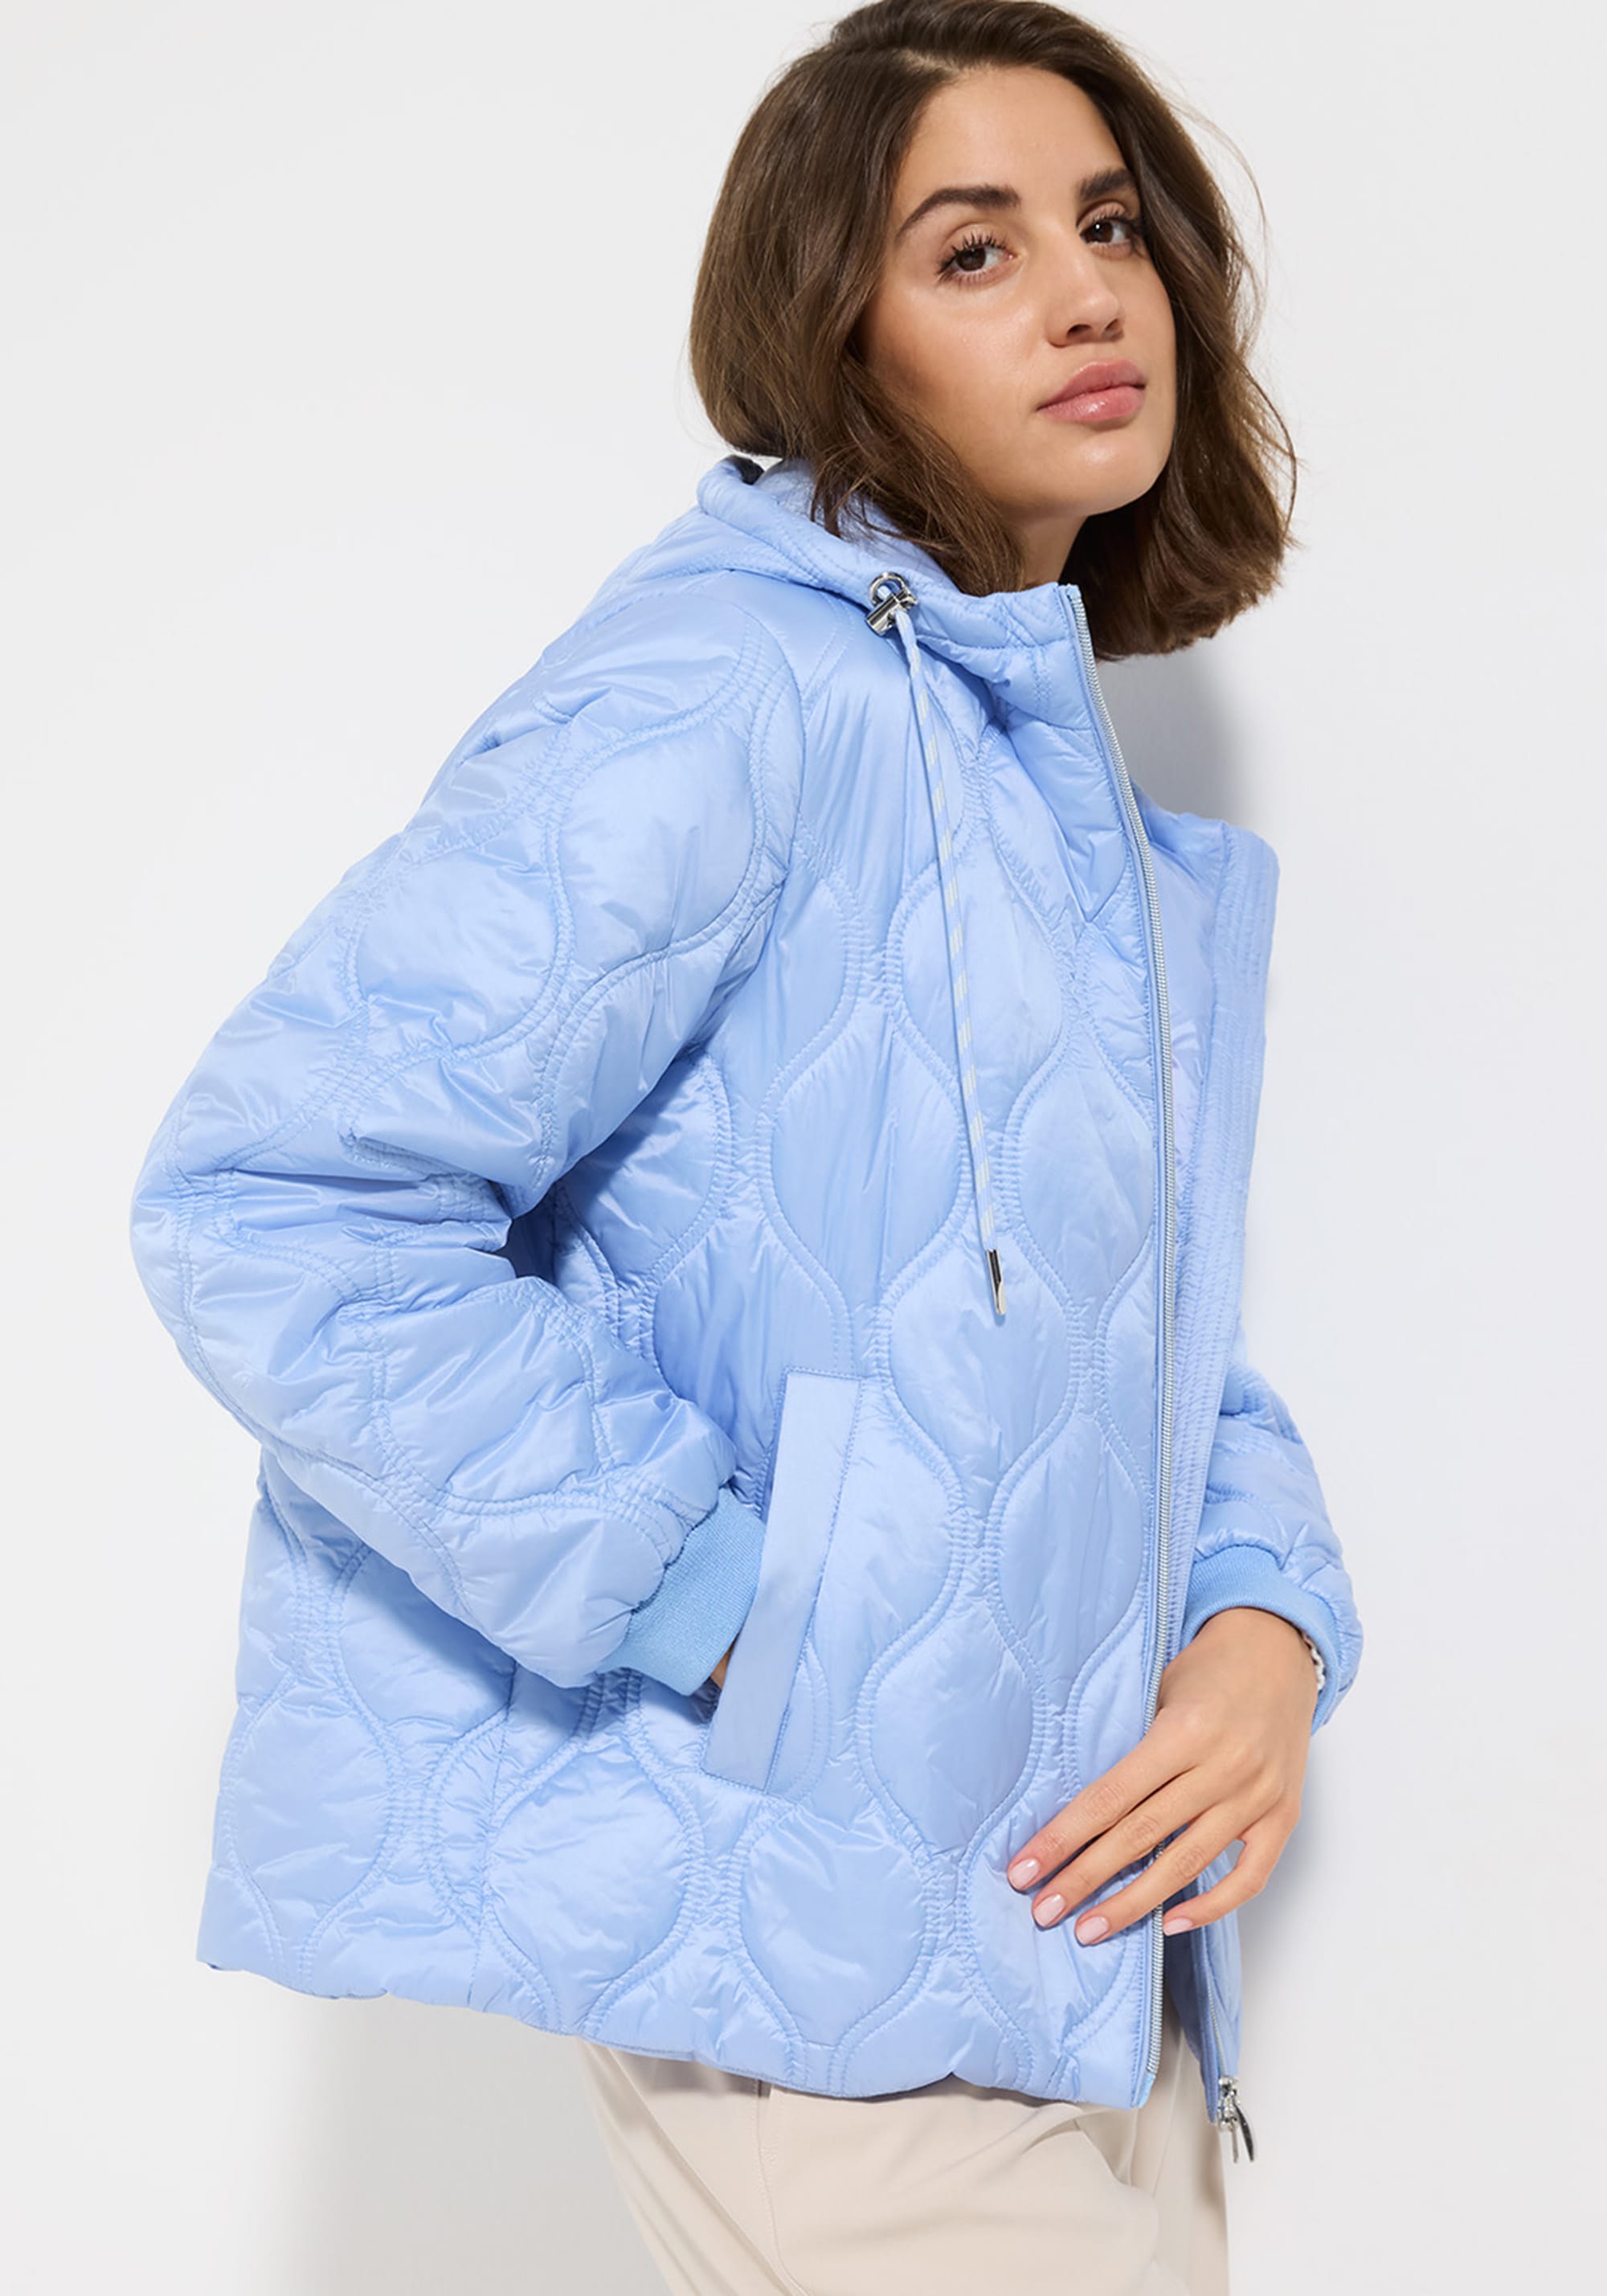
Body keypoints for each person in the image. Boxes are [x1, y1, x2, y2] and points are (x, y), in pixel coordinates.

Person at [126, 2, 1364, 2287]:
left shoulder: (1041, 781)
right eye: (973, 250)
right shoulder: (729, 691)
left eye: (1109, 226)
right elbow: (277, 1200)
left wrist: (1269, 1617)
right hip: (830, 1971)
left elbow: (1140, 1336)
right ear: (834, 329)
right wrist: (731, 1606)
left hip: (1085, 1966)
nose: (1087, 295)